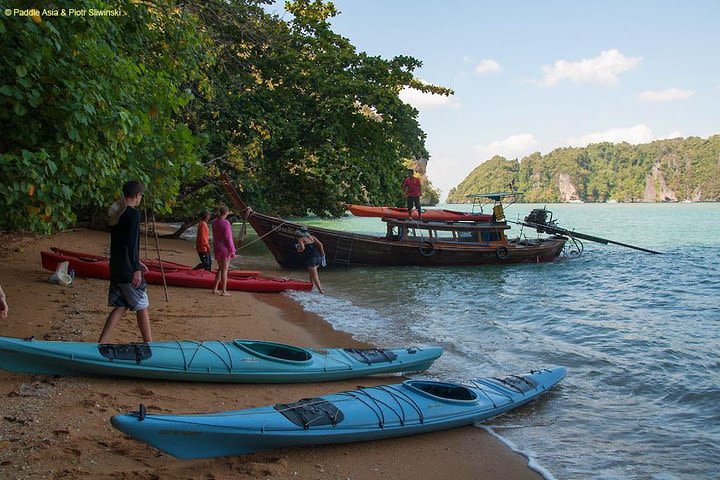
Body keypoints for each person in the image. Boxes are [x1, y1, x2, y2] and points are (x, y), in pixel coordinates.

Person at [98, 181, 152, 344]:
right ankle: (149, 345)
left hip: (116, 266)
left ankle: (102, 342)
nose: (140, 198)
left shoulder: (117, 214)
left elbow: (120, 244)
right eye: (141, 195)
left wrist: (137, 262)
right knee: (143, 304)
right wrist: (136, 267)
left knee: (121, 305)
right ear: (137, 195)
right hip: (128, 269)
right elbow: (131, 242)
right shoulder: (133, 214)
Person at [212, 205, 236, 296]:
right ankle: (223, 291)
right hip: (224, 249)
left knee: (220, 269)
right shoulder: (226, 223)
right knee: (225, 270)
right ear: (226, 212)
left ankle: (215, 289)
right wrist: (232, 250)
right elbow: (228, 238)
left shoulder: (214, 222)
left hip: (217, 248)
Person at [295, 226, 325, 294]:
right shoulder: (312, 237)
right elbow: (320, 244)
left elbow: (302, 249)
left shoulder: (301, 239)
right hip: (318, 257)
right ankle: (310, 286)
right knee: (311, 273)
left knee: (315, 276)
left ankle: (320, 291)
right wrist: (323, 252)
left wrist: (298, 249)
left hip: (311, 258)